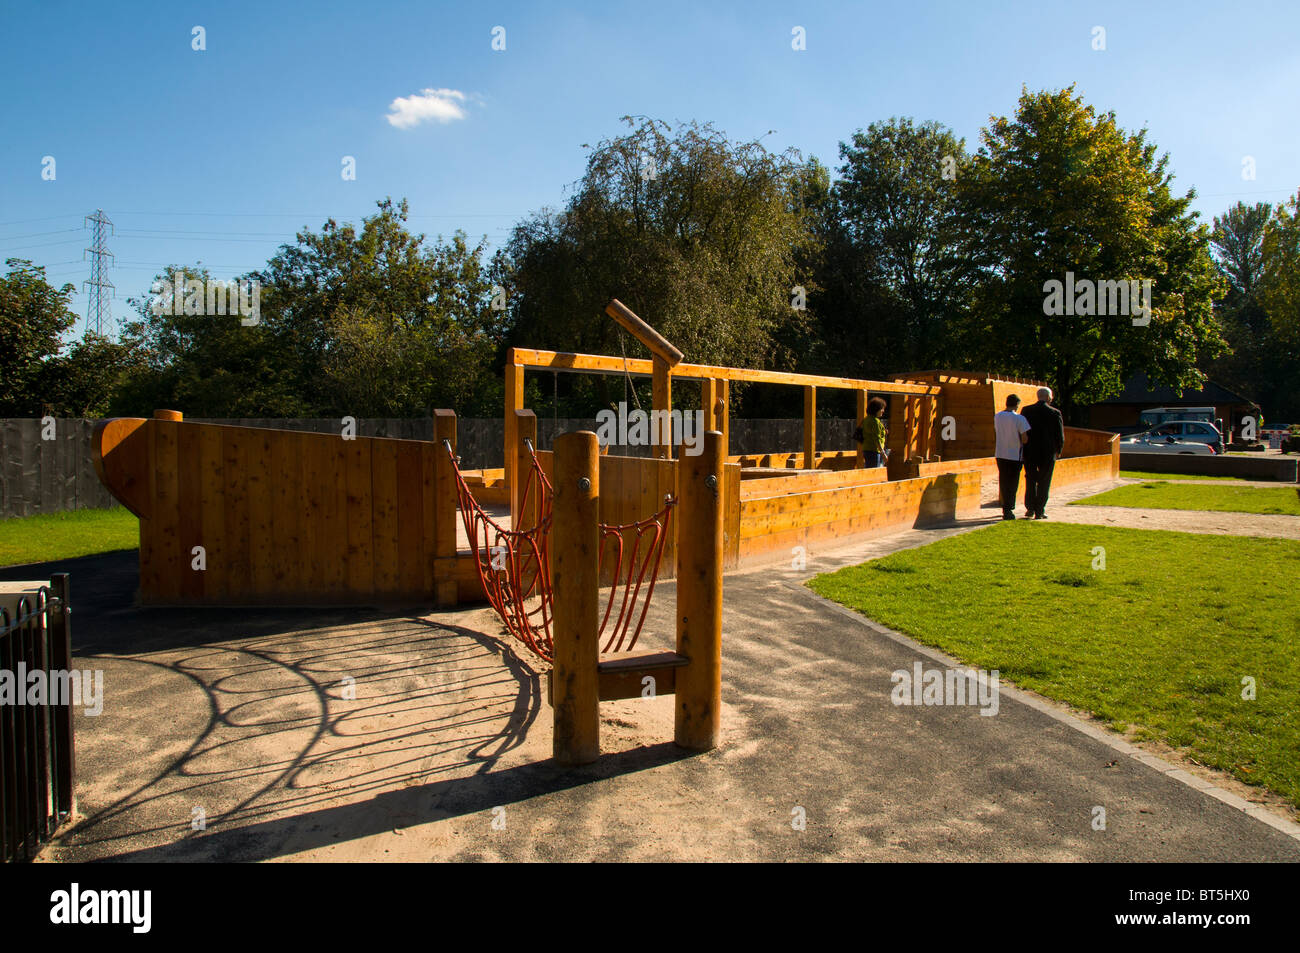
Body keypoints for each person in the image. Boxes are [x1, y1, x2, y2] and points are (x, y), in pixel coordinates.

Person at [1021, 387, 1065, 520]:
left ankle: (1029, 508)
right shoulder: (1055, 412)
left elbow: (1023, 430)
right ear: (1049, 397)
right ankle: (1040, 510)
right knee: (1044, 482)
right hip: (1047, 452)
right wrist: (1059, 450)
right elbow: (1059, 434)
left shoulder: (1026, 410)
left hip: (1030, 451)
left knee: (1030, 479)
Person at [994, 394, 1030, 520]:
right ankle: (1009, 508)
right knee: (1012, 483)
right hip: (1015, 454)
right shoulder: (1020, 419)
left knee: (1004, 481)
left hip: (1000, 453)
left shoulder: (997, 416)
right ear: (1017, 404)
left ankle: (1005, 507)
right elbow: (1024, 439)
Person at [857, 396, 889, 468]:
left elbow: (869, 433)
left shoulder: (867, 419)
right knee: (873, 472)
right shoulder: (875, 422)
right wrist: (883, 453)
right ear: (876, 409)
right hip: (874, 451)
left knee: (869, 469)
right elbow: (876, 438)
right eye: (882, 408)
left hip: (867, 449)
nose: (883, 411)